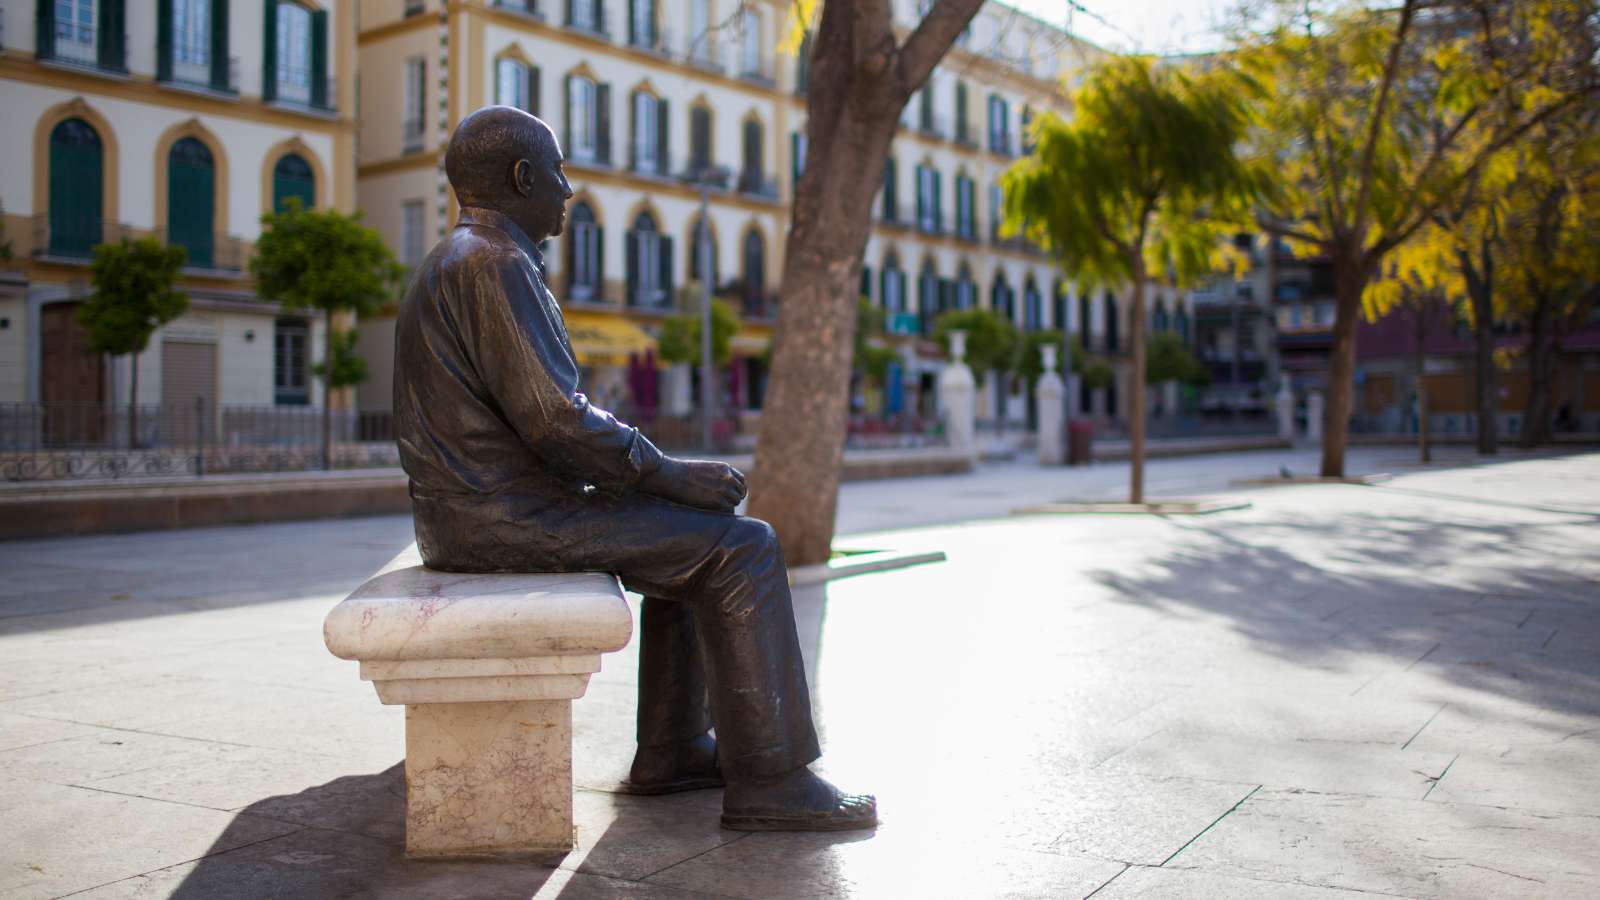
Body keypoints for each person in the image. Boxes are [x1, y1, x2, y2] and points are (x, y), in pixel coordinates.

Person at [392, 106, 875, 832]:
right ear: (523, 179)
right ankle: (771, 778)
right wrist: (667, 473)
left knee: (700, 537)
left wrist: (664, 484)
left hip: (478, 511)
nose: (568, 188)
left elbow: (545, 420)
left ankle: (673, 750)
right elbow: (555, 420)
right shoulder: (492, 263)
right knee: (744, 548)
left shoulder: (470, 259)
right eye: (557, 171)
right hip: (500, 519)